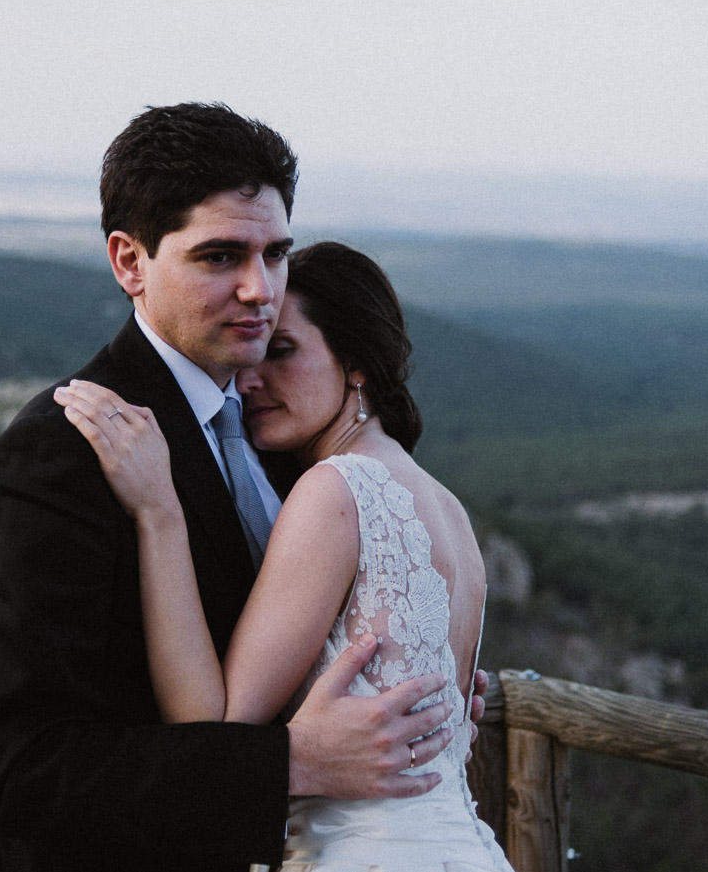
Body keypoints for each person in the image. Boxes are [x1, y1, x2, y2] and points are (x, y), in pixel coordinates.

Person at [0, 104, 474, 872]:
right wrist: (288, 762)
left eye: (275, 254)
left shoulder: (281, 430)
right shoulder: (62, 450)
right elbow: (14, 766)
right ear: (130, 262)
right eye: (220, 257)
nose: (258, 289)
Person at [54, 241, 513, 872]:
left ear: (355, 364)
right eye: (253, 353)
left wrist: (158, 511)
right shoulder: (447, 508)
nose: (250, 378)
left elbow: (211, 725)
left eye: (282, 351)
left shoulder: (338, 488)